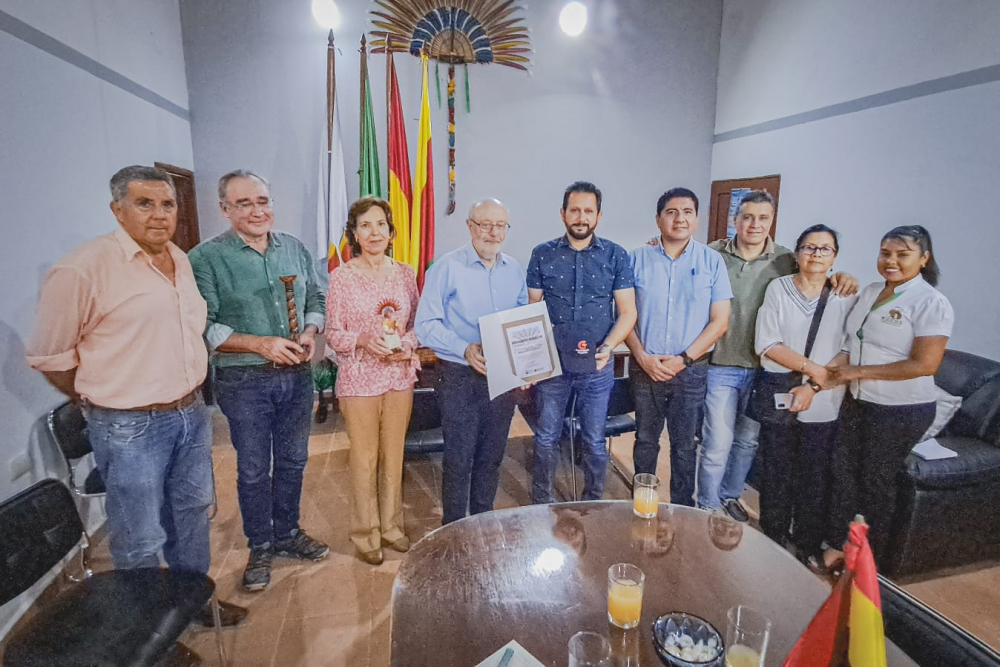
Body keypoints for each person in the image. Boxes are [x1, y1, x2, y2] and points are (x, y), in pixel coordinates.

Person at [25, 166, 247, 648]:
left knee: (190, 513)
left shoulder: (180, 260)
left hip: (190, 413)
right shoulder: (83, 268)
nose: (159, 215)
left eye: (167, 204)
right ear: (117, 209)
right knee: (140, 536)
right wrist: (105, 396)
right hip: (128, 426)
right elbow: (51, 357)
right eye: (145, 204)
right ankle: (147, 633)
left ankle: (191, 601)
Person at [189, 170, 328, 592]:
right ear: (225, 209)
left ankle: (287, 533)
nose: (256, 210)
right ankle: (260, 544)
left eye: (262, 200)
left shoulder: (294, 248)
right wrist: (259, 344)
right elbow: (204, 324)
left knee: (293, 461)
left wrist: (309, 330)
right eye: (244, 203)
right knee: (252, 469)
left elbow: (316, 297)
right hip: (243, 381)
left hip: (297, 377)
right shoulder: (205, 259)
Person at [698, 190, 857, 520]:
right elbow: (683, 255)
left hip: (767, 372)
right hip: (722, 365)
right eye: (748, 217)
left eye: (763, 218)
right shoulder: (712, 252)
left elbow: (819, 273)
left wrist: (843, 276)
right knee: (717, 442)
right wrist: (658, 243)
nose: (755, 224)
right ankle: (706, 505)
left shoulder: (785, 258)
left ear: (772, 221)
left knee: (747, 442)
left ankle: (729, 497)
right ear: (735, 220)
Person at [822, 225, 952, 569]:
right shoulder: (871, 292)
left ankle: (871, 565)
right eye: (885, 253)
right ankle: (837, 544)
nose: (891, 261)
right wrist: (826, 374)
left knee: (875, 483)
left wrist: (858, 373)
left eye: (902, 255)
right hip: (858, 401)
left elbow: (924, 364)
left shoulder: (931, 303)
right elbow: (853, 343)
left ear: (924, 259)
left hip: (901, 409)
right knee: (843, 473)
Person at [415, 198, 528, 524]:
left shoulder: (514, 270)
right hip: (459, 377)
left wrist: (527, 363)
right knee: (459, 457)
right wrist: (464, 347)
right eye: (484, 224)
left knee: (492, 455)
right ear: (470, 226)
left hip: (502, 378)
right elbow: (425, 325)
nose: (492, 233)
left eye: (500, 226)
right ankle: (453, 527)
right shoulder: (446, 268)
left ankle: (483, 521)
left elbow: (522, 322)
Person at [753, 225, 858, 563]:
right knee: (776, 472)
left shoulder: (846, 296)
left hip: (824, 400)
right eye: (809, 248)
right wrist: (813, 371)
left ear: (835, 256)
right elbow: (767, 343)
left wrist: (812, 386)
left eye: (824, 249)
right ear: (796, 253)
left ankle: (808, 544)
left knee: (815, 476)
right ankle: (773, 538)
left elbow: (848, 349)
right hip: (781, 393)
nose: (815, 255)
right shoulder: (778, 288)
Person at [527, 181, 637, 503]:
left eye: (588, 211)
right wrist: (532, 358)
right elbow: (532, 312)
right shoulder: (542, 254)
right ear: (563, 214)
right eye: (574, 210)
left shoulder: (616, 255)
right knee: (546, 438)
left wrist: (609, 347)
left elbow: (628, 313)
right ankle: (541, 503)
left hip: (597, 366)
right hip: (553, 367)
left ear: (599, 216)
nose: (581, 217)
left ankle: (594, 502)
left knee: (593, 439)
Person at [325, 197, 419, 564]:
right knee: (364, 460)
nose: (374, 232)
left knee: (394, 457)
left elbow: (414, 328)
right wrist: (364, 340)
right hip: (359, 379)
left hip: (398, 376)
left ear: (391, 232)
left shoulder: (405, 273)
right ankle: (366, 534)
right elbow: (333, 333)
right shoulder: (341, 278)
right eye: (365, 225)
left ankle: (392, 527)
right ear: (355, 234)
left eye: (381, 224)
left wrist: (404, 345)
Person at [626, 188, 732, 506]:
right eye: (672, 212)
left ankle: (683, 509)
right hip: (646, 367)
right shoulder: (635, 259)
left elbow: (720, 321)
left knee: (685, 445)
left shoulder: (712, 261)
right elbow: (624, 314)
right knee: (645, 440)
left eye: (687, 212)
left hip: (691, 370)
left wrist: (684, 359)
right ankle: (641, 504)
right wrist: (642, 356)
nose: (680, 218)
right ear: (658, 219)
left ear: (696, 219)